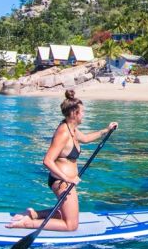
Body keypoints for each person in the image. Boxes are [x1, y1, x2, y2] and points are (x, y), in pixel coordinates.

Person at [7, 90, 118, 231]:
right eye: (82, 112)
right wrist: (68, 178)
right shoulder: (64, 132)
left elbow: (85, 139)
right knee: (71, 225)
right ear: (74, 113)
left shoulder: (72, 129)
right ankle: (27, 224)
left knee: (62, 214)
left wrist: (106, 130)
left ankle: (33, 214)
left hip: (66, 181)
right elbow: (47, 160)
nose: (84, 114)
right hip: (62, 182)